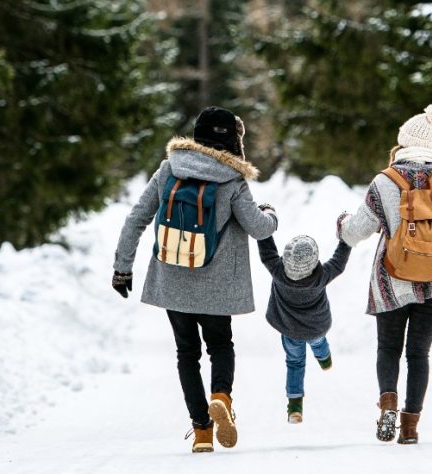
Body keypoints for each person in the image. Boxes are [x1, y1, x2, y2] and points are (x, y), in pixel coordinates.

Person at [110, 106, 278, 453]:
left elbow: (136, 218)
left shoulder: (169, 169)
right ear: (233, 140)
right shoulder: (232, 179)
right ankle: (221, 397)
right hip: (217, 285)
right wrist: (271, 214)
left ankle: (201, 431)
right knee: (220, 346)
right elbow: (258, 228)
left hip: (173, 279)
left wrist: (122, 267)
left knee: (186, 353)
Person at [338, 103, 432, 444]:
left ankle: (388, 406)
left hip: (390, 280)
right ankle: (409, 428)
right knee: (419, 354)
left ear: (403, 143)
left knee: (388, 349)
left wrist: (342, 226)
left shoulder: (384, 181)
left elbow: (356, 231)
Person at [256, 233, 351, 423]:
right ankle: (324, 360)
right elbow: (338, 263)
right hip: (316, 328)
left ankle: (295, 408)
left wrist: (263, 223)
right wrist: (346, 239)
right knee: (319, 343)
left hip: (290, 332)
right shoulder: (321, 276)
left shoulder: (277, 271)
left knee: (295, 363)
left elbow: (267, 252)